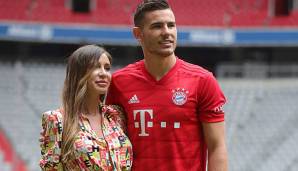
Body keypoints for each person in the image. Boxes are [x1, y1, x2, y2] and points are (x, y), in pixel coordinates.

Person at [106, 0, 228, 171]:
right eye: (157, 26)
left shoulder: (203, 80)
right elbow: (111, 143)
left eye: (171, 25)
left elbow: (217, 147)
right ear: (138, 33)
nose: (167, 32)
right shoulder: (119, 82)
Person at [39, 45, 133, 171]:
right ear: (79, 73)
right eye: (95, 67)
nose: (104, 74)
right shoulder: (57, 119)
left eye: (107, 68)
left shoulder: (116, 116)